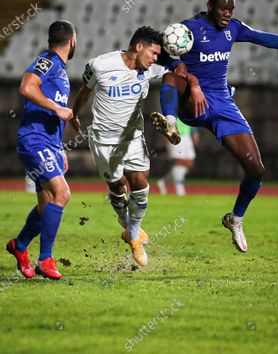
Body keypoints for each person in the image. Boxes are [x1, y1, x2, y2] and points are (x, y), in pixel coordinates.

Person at [151, 0, 278, 253]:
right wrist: (186, 74)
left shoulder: (234, 28)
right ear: (210, 6)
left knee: (256, 170)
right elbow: (162, 50)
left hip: (222, 103)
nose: (227, 13)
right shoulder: (189, 28)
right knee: (169, 78)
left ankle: (235, 218)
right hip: (194, 101)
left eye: (231, 9)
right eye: (222, 8)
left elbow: (267, 38)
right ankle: (170, 121)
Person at [71, 26, 167, 266]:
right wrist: (74, 113)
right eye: (153, 53)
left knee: (141, 183)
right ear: (138, 47)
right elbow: (85, 91)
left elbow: (175, 75)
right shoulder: (100, 65)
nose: (156, 59)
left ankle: (133, 236)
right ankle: (126, 224)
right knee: (118, 186)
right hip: (104, 141)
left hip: (133, 137)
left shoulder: (151, 68)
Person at [6, 20, 76, 280]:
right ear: (72, 40)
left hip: (48, 143)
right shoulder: (47, 61)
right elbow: (26, 87)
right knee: (63, 193)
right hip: (34, 141)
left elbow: (52, 114)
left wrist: (60, 148)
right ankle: (45, 259)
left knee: (46, 207)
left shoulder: (60, 70)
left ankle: (20, 245)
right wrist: (56, 108)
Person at [157, 119, 200, 196]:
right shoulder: (173, 108)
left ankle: (164, 182)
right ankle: (179, 189)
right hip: (175, 135)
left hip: (187, 136)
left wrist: (195, 132)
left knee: (190, 162)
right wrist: (167, 136)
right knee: (179, 161)